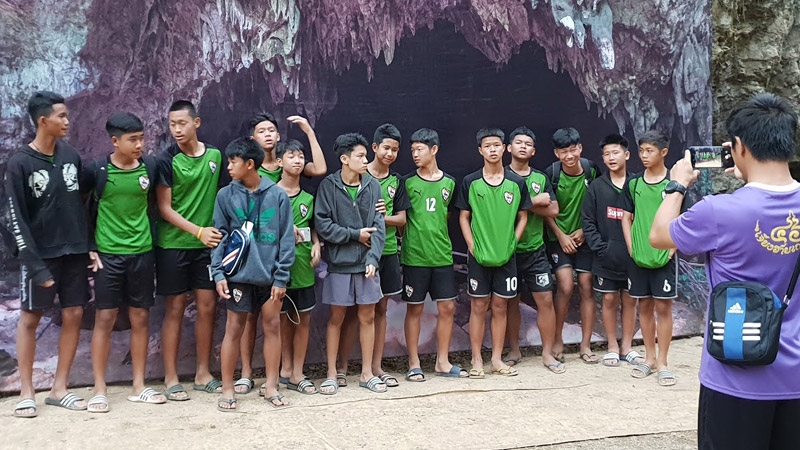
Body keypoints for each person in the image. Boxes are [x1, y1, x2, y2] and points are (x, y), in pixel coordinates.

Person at [651, 93, 800, 449]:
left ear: (739, 147)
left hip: (736, 376)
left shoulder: (719, 211)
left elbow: (658, 236)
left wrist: (677, 184)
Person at [6, 91, 96, 417]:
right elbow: (15, 217)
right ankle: (26, 392)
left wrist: (89, 248)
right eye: (61, 116)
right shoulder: (19, 163)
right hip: (40, 256)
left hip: (73, 252)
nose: (67, 121)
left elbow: (81, 207)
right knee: (30, 318)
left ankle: (60, 389)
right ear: (43, 120)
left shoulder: (71, 156)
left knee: (73, 315)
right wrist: (35, 266)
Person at [83, 113, 166, 413]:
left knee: (141, 318)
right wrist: (89, 246)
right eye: (132, 139)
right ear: (115, 141)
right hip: (108, 256)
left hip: (142, 254)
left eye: (142, 138)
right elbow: (81, 209)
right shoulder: (96, 170)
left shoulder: (151, 167)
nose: (140, 144)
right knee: (104, 319)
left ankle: (139, 385)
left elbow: (159, 205)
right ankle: (99, 389)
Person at [240, 113, 327, 394]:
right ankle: (250, 374)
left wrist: (316, 241)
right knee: (257, 318)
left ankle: (291, 372)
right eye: (261, 130)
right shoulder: (255, 177)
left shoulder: (303, 191)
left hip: (299, 264)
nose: (267, 134)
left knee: (296, 317)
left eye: (272, 130)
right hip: (264, 262)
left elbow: (320, 170)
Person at [210, 137, 295, 411]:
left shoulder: (278, 195)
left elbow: (286, 239)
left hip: (271, 278)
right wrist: (218, 273)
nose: (229, 167)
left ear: (250, 164)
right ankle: (227, 388)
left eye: (233, 162)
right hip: (237, 277)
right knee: (233, 329)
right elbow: (219, 236)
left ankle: (271, 386)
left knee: (271, 327)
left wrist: (281, 277)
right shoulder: (225, 195)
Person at [155, 100, 226, 400]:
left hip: (206, 248)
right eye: (172, 124)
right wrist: (197, 231)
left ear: (196, 123)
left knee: (207, 308)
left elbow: (223, 194)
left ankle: (202, 373)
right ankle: (171, 377)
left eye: (182, 123)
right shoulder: (165, 160)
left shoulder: (215, 156)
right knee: (174, 309)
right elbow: (164, 208)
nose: (176, 130)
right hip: (174, 245)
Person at [456, 128, 532, 378]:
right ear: (480, 150)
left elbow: (523, 216)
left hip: (506, 256)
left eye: (497, 145)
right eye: (487, 146)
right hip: (479, 256)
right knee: (479, 306)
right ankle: (476, 359)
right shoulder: (470, 181)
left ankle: (497, 359)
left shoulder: (517, 183)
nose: (492, 149)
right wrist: (471, 245)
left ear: (504, 148)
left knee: (501, 306)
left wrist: (513, 242)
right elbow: (464, 216)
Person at [314, 133, 386, 395]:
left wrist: (373, 259)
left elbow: (379, 227)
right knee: (337, 318)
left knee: (368, 317)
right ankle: (332, 374)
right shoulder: (328, 186)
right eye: (360, 156)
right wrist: (354, 235)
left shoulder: (373, 186)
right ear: (345, 159)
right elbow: (322, 225)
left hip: (366, 266)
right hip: (339, 265)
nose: (366, 160)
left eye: (365, 156)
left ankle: (367, 373)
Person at [338, 124, 409, 388]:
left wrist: (382, 216)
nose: (390, 154)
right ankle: (342, 367)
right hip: (356, 253)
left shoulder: (397, 182)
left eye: (395, 150)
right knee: (350, 311)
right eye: (385, 148)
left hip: (387, 252)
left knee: (380, 309)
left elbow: (401, 219)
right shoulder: (358, 174)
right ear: (374, 148)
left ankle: (375, 367)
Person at [399, 128, 465, 382]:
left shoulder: (449, 182)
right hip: (414, 256)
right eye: (412, 150)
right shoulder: (406, 182)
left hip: (442, 256)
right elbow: (404, 220)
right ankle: (414, 362)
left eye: (420, 149)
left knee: (447, 307)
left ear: (434, 150)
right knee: (414, 309)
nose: (415, 154)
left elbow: (446, 217)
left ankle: (442, 361)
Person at [581, 134, 643, 367]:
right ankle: (612, 346)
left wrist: (638, 248)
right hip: (605, 257)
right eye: (606, 154)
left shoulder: (637, 184)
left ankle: (627, 346)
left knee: (630, 300)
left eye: (615, 152)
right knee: (608, 299)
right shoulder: (596, 187)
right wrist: (601, 247)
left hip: (633, 256)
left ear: (626, 155)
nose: (610, 158)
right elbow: (587, 221)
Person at [621, 130, 676, 386]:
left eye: (649, 151)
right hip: (639, 257)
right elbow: (625, 217)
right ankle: (650, 358)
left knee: (663, 307)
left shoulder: (674, 185)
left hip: (664, 257)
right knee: (643, 306)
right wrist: (632, 248)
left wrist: (672, 249)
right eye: (641, 150)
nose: (644, 155)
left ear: (663, 152)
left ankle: (664, 362)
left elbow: (682, 220)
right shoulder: (633, 183)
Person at [505, 127, 563, 374]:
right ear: (509, 147)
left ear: (534, 150)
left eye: (528, 144)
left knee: (546, 300)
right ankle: (514, 350)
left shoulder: (540, 178)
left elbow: (553, 210)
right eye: (518, 142)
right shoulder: (500, 176)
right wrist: (534, 201)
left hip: (536, 250)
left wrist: (522, 204)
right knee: (510, 302)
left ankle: (547, 354)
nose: (522, 146)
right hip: (507, 250)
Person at [544, 128, 600, 364]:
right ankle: (557, 340)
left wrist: (586, 232)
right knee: (565, 286)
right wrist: (561, 235)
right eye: (564, 151)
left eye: (573, 150)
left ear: (580, 149)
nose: (569, 155)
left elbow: (599, 202)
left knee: (587, 286)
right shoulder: (552, 174)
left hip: (584, 238)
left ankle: (585, 345)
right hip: (560, 239)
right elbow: (546, 211)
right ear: (557, 153)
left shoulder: (592, 169)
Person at [276, 140, 321, 395]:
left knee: (304, 318)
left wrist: (317, 244)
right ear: (279, 162)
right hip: (279, 271)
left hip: (304, 266)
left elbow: (315, 228)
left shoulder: (309, 196)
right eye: (291, 156)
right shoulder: (270, 193)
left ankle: (298, 372)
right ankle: (284, 368)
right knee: (282, 319)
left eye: (301, 156)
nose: (297, 160)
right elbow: (261, 228)